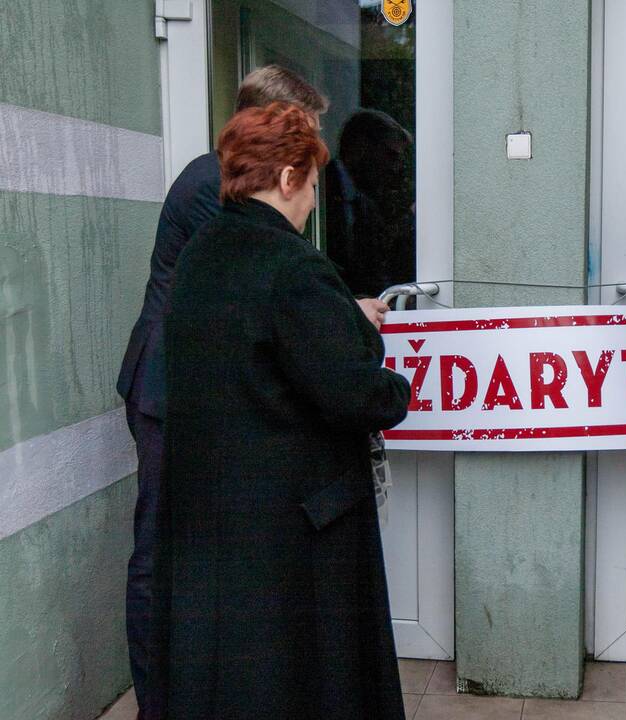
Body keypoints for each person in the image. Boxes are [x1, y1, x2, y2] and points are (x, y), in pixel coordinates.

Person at [114, 65, 389, 717]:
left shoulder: (224, 181)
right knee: (162, 556)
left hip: (194, 386)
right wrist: (345, 315)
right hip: (171, 391)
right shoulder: (220, 189)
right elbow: (252, 290)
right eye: (305, 132)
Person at [326, 108, 416, 298]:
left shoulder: (364, 205)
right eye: (390, 156)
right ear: (360, 147)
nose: (395, 169)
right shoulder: (322, 192)